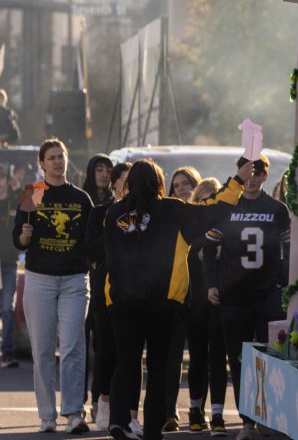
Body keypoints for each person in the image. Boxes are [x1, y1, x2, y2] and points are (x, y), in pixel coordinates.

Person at [103, 158, 252, 440]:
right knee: (157, 368)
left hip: (121, 302)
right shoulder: (172, 209)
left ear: (130, 183)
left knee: (127, 363)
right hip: (163, 301)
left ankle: (119, 421)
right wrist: (238, 181)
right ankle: (152, 430)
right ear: (160, 183)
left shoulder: (113, 213)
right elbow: (215, 210)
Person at [204, 155, 290, 440]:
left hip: (267, 294)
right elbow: (209, 248)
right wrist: (211, 284)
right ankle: (247, 421)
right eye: (247, 172)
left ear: (266, 176)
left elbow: (289, 250)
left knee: (268, 358)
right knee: (239, 359)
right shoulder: (227, 205)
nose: (252, 178)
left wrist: (284, 284)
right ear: (239, 173)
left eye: (258, 173)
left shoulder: (277, 209)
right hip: (233, 295)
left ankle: (269, 415)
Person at [12, 138, 94, 434]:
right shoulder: (33, 194)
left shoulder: (81, 198)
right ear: (42, 163)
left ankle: (74, 412)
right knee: (43, 351)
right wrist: (24, 235)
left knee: (73, 347)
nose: (58, 161)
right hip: (40, 280)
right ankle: (47, 416)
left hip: (74, 280)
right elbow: (17, 240)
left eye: (61, 156)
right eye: (52, 157)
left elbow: (91, 241)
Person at [85, 161, 131, 431]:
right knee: (104, 349)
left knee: (130, 353)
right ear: (114, 182)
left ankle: (127, 412)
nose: (128, 185)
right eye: (124, 180)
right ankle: (102, 401)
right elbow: (91, 250)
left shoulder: (139, 213)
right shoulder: (100, 212)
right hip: (105, 291)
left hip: (134, 292)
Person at [186, 178, 229, 437]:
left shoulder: (226, 225)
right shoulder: (190, 226)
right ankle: (194, 410)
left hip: (221, 300)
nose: (208, 201)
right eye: (203, 197)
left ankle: (217, 414)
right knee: (198, 358)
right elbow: (187, 255)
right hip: (196, 301)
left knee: (218, 359)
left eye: (213, 196)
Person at [162, 166, 202, 433]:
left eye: (187, 182)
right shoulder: (169, 218)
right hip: (176, 295)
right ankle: (169, 412)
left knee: (201, 357)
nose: (183, 188)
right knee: (171, 357)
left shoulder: (205, 214)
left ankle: (199, 410)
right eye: (176, 185)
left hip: (203, 294)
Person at [79, 153, 113, 423]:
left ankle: (98, 397)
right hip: (81, 277)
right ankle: (77, 400)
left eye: (107, 169)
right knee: (81, 342)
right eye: (99, 169)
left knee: (102, 345)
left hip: (106, 283)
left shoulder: (117, 203)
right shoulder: (82, 198)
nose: (103, 174)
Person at [0, 165, 19, 369]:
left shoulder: (14, 200)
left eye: (1, 178)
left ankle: (7, 351)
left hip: (9, 263)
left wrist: (17, 190)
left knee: (8, 307)